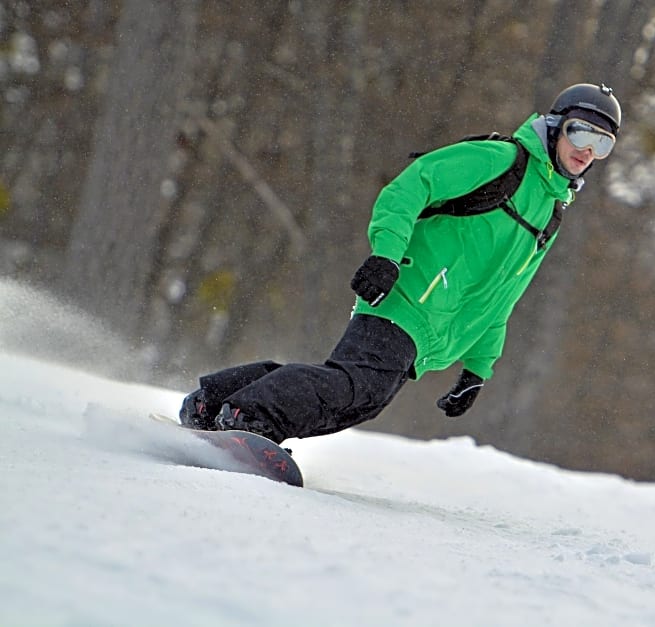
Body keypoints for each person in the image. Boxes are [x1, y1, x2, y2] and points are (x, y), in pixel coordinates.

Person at [179, 83, 622, 444]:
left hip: (429, 326)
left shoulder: (551, 212)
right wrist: (386, 256)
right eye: (581, 133)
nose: (588, 150)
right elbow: (409, 187)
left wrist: (478, 367)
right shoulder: (501, 160)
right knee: (358, 387)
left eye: (602, 143)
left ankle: (217, 402)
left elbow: (501, 296)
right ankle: (249, 415)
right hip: (406, 294)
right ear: (555, 126)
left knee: (359, 395)